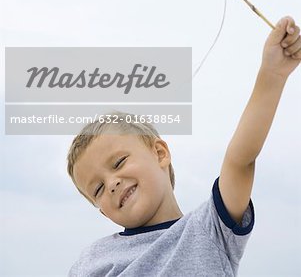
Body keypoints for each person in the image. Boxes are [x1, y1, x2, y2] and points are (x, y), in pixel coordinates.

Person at [66, 16, 301, 276]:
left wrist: (272, 74)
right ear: (102, 212)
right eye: (97, 189)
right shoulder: (93, 260)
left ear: (159, 153)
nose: (111, 184)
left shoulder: (210, 230)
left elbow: (240, 160)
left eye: (119, 162)